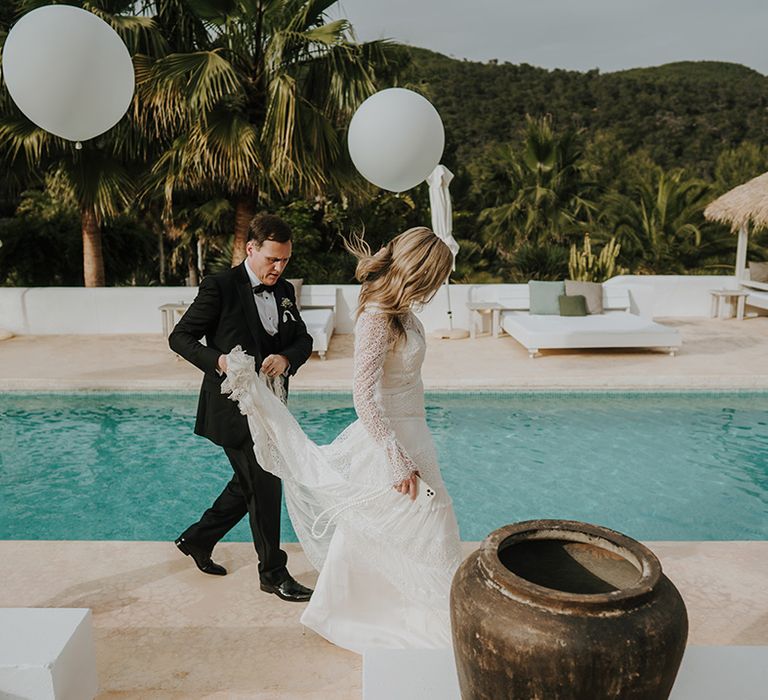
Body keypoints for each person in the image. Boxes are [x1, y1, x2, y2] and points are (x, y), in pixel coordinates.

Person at [220, 226, 463, 652]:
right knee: (397, 525)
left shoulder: (404, 312)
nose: (442, 283)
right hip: (391, 443)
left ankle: (392, 608)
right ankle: (364, 613)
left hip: (415, 433)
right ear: (420, 270)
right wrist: (394, 455)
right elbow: (362, 394)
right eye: (439, 274)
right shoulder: (376, 316)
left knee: (414, 529)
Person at [169, 213, 314, 603]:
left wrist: (285, 358)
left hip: (272, 408)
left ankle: (198, 539)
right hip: (233, 407)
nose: (279, 268)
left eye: (285, 260)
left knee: (248, 483)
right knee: (266, 482)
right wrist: (219, 362)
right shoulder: (220, 286)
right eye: (272, 259)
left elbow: (302, 338)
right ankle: (273, 573)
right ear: (251, 249)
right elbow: (179, 337)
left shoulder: (283, 290)